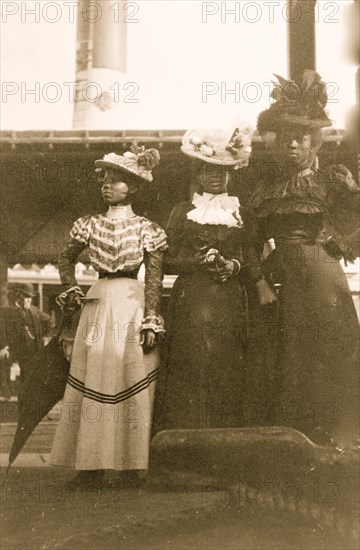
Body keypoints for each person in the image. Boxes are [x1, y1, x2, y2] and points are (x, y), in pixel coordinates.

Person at [244, 70, 360, 449]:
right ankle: (292, 438)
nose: (292, 146)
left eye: (300, 139)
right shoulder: (266, 189)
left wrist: (340, 242)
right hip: (281, 275)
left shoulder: (331, 180)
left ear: (313, 142)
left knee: (330, 347)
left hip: (323, 273)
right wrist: (260, 283)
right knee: (286, 352)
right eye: (286, 139)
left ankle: (337, 434)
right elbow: (249, 241)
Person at [50, 144, 167, 487]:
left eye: (116, 180)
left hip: (132, 304)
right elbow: (64, 259)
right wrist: (72, 288)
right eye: (104, 178)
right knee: (95, 378)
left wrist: (151, 318)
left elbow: (156, 276)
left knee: (131, 380)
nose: (107, 185)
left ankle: (133, 467)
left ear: (132, 187)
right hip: (98, 302)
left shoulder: (149, 228)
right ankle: (89, 467)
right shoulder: (88, 224)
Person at [154, 127, 254, 430]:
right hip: (192, 301)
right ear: (198, 172)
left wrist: (235, 265)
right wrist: (195, 262)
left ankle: (225, 441)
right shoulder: (183, 211)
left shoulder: (239, 211)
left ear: (230, 175)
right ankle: (186, 436)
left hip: (230, 301)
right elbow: (164, 260)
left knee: (227, 365)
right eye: (209, 169)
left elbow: (252, 254)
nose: (215, 176)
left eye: (222, 171)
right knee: (193, 363)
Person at [0, 283, 53, 393]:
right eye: (26, 297)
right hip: (13, 348)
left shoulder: (34, 311)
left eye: (30, 297)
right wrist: (3, 346)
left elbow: (50, 321)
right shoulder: (8, 310)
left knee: (30, 375)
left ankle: (25, 393)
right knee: (3, 359)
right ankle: (6, 393)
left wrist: (46, 337)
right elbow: (2, 329)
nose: (29, 300)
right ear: (19, 296)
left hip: (30, 349)